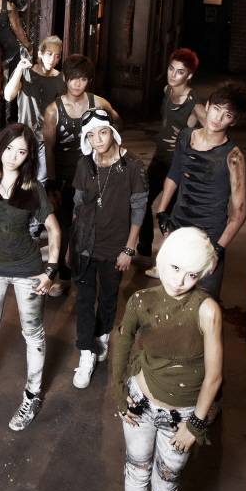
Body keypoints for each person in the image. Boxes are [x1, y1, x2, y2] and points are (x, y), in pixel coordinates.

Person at [112, 227, 222, 491]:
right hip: (141, 403)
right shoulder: (141, 299)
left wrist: (196, 424)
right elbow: (122, 340)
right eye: (174, 268)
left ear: (203, 274)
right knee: (136, 470)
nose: (180, 281)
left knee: (165, 482)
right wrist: (118, 394)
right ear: (161, 260)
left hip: (183, 416)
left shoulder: (207, 309)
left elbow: (214, 376)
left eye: (191, 274)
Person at [0, 123, 61, 430]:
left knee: (33, 335)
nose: (13, 156)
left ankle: (32, 396)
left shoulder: (33, 188)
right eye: (9, 149)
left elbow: (54, 229)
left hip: (28, 270)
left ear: (28, 156)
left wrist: (50, 270)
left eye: (21, 152)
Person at [69, 108, 148, 388]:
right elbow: (77, 204)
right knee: (83, 299)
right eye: (91, 135)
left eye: (102, 132)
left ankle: (102, 337)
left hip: (115, 247)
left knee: (108, 297)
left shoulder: (133, 165)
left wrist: (129, 249)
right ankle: (86, 353)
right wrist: (73, 243)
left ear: (112, 132)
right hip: (85, 244)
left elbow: (139, 208)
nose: (98, 140)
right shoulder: (84, 164)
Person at [156, 82, 246, 299]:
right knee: (170, 295)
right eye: (216, 109)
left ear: (233, 121)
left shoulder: (234, 157)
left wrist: (218, 249)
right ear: (207, 106)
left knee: (202, 301)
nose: (218, 118)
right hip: (178, 227)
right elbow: (174, 174)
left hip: (209, 237)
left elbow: (239, 212)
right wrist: (161, 211)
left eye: (227, 115)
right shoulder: (186, 137)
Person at [43, 54, 121, 296]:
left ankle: (89, 271)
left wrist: (110, 153)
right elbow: (49, 149)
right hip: (65, 179)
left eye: (83, 79)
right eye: (73, 78)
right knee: (64, 228)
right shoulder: (53, 110)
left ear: (89, 80)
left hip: (94, 176)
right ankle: (63, 276)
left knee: (92, 225)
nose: (78, 83)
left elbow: (117, 124)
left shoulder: (99, 103)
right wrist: (52, 183)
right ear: (65, 79)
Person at [138, 48, 201, 263]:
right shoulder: (167, 90)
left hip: (177, 164)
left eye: (180, 72)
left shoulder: (193, 102)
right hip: (159, 158)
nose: (173, 75)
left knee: (169, 212)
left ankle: (168, 261)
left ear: (189, 75)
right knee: (141, 199)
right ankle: (144, 247)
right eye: (171, 69)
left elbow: (210, 126)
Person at [4, 35, 65, 183]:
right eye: (49, 54)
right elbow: (8, 96)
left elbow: (61, 110)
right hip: (24, 136)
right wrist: (19, 69)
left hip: (45, 140)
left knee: (41, 182)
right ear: (40, 53)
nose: (53, 59)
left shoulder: (60, 78)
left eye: (57, 56)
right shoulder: (26, 72)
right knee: (20, 179)